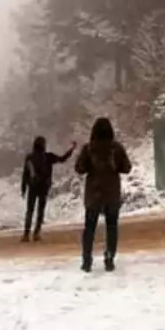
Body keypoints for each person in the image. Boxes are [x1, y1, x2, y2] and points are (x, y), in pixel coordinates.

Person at [74, 117, 132, 273]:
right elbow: (127, 168)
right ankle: (109, 259)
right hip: (111, 193)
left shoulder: (88, 148)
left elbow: (79, 168)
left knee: (89, 228)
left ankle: (87, 261)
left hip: (93, 193)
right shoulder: (116, 148)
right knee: (111, 227)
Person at [20, 136, 76, 242]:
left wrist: (23, 189)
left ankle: (26, 234)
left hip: (32, 187)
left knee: (30, 211)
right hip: (43, 188)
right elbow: (62, 159)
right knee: (40, 211)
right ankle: (36, 234)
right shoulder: (48, 157)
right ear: (43, 145)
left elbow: (25, 174)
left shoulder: (29, 157)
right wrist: (72, 149)